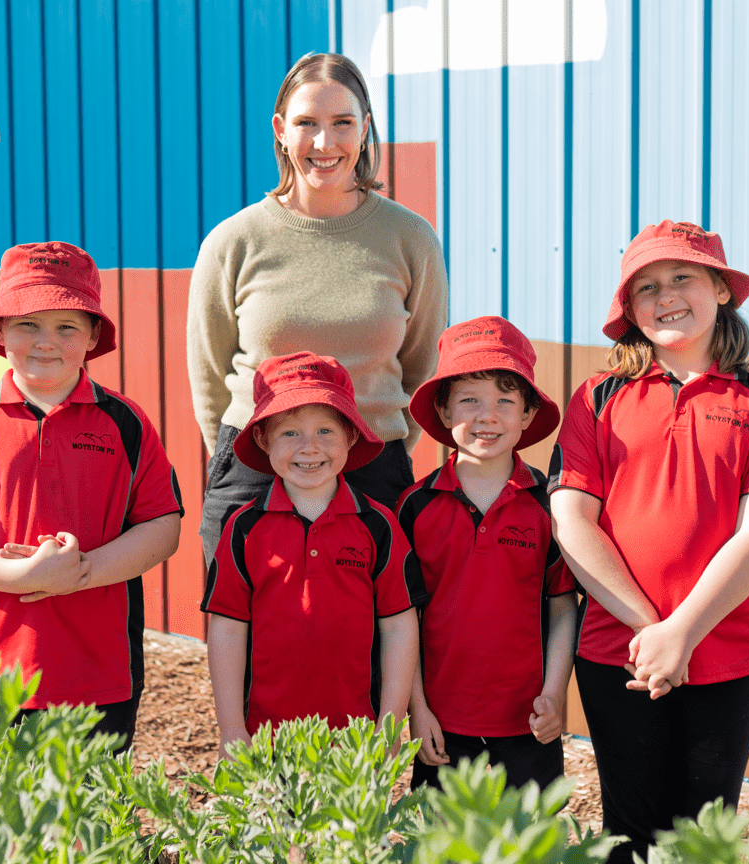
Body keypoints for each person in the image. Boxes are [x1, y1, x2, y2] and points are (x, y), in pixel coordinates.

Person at [549, 221, 749, 862]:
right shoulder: (597, 398)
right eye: (645, 288)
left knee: (702, 837)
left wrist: (684, 632)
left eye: (682, 278)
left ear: (720, 289)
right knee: (628, 830)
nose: (665, 296)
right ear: (630, 310)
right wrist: (651, 633)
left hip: (722, 654)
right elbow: (572, 520)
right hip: (619, 654)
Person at [0, 241, 183, 752]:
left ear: (91, 336)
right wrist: (22, 576)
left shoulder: (126, 425)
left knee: (91, 821)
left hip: (99, 674)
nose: (47, 342)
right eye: (27, 324)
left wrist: (80, 572)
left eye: (67, 327)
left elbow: (162, 528)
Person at [187, 52, 447, 559]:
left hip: (372, 470)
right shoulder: (234, 241)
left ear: (365, 128)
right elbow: (210, 375)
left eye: (342, 123)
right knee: (251, 635)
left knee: (376, 632)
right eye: (307, 123)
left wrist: (376, 449)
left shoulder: (410, 239)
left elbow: (421, 367)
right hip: (255, 471)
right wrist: (249, 455)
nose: (325, 143)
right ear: (281, 130)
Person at [200, 352, 420, 755]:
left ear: (351, 436)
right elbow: (228, 629)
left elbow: (399, 628)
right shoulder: (243, 528)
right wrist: (230, 726)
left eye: (325, 431)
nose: (309, 447)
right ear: (263, 439)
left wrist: (389, 727)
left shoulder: (379, 526)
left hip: (357, 741)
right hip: (264, 740)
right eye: (289, 433)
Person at [397, 317, 577, 792]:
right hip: (442, 724)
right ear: (443, 409)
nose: (487, 416)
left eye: (504, 400)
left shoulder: (549, 504)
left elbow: (562, 609)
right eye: (469, 400)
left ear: (526, 413)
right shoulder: (413, 507)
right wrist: (418, 709)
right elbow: (402, 618)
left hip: (526, 724)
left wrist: (555, 695)